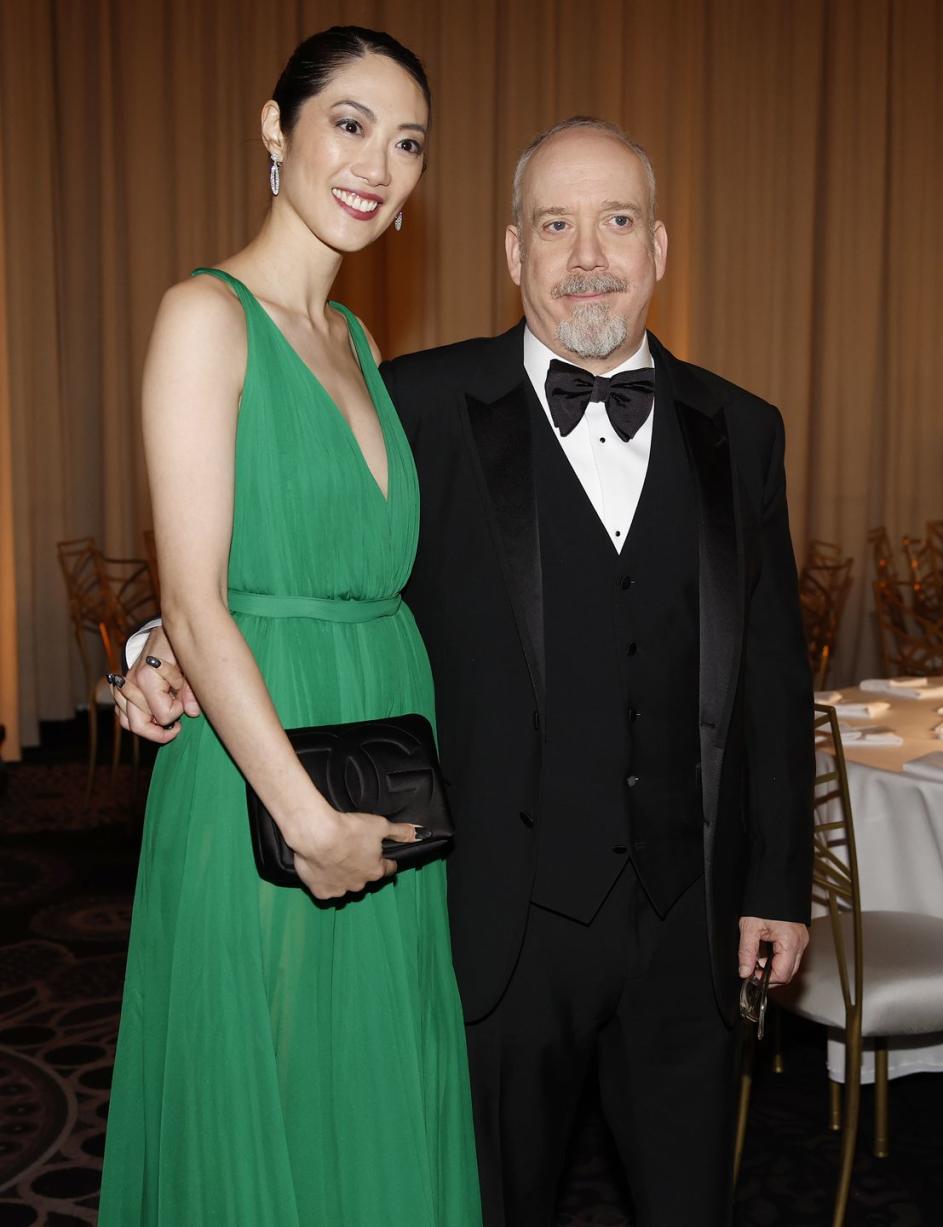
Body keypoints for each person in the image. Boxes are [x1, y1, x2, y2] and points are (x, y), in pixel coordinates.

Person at [119, 117, 814, 1226]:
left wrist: (779, 881)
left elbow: (774, 672)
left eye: (617, 222)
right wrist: (157, 642)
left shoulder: (746, 429)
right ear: (511, 253)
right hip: (493, 920)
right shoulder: (415, 405)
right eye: (555, 225)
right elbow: (279, 545)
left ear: (661, 250)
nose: (588, 255)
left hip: (690, 918)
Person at [99, 27, 482, 1227]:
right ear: (278, 130)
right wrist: (308, 823)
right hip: (267, 791)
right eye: (350, 123)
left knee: (372, 1105)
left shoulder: (360, 344)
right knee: (262, 1110)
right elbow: (197, 601)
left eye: (408, 141)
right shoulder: (205, 317)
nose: (379, 163)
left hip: (383, 771)